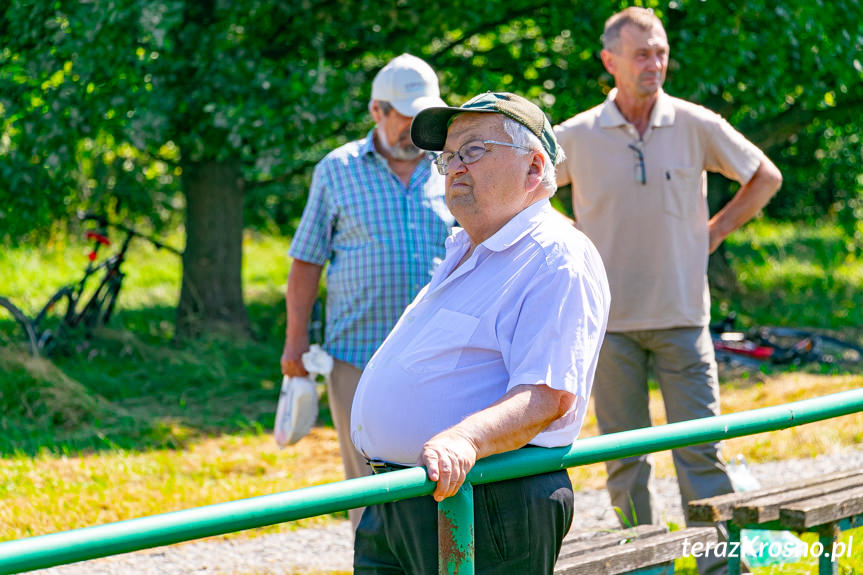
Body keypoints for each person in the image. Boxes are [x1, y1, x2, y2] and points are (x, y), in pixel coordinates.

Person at [553, 7, 782, 574]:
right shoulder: (578, 135)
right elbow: (527, 188)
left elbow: (765, 176)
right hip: (609, 327)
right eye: (641, 54)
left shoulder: (694, 123)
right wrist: (569, 237)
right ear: (610, 61)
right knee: (624, 462)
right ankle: (643, 567)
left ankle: (719, 568)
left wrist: (715, 232)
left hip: (683, 317)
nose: (655, 63)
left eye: (660, 51)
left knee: (703, 454)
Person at [350, 92, 610, 574]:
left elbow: (548, 394)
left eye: (472, 151)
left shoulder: (556, 256)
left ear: (534, 168)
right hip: (408, 499)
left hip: (486, 499)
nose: (453, 168)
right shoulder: (469, 249)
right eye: (447, 157)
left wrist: (464, 440)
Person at [280, 53, 454, 531]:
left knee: (440, 472)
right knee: (367, 485)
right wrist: (295, 342)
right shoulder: (336, 169)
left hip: (438, 354)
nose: (415, 128)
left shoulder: (449, 166)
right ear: (377, 111)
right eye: (405, 116)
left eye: (424, 116)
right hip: (356, 353)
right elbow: (306, 260)